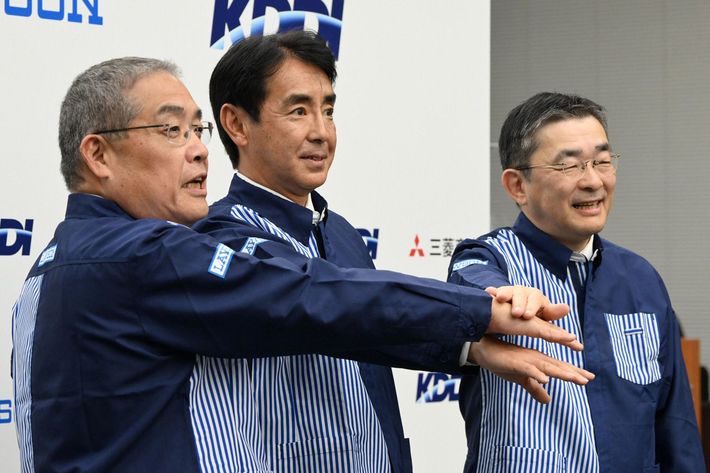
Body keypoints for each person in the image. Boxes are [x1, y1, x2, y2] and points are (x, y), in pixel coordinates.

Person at [11, 58, 591, 473]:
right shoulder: (147, 253)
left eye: (195, 130)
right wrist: (477, 310)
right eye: (170, 130)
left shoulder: (48, 270)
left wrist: (468, 343)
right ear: (98, 154)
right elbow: (306, 296)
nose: (198, 149)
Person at [193, 31, 591, 473]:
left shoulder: (341, 232)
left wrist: (473, 349)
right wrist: (480, 311)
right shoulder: (217, 237)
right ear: (236, 124)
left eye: (328, 110)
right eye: (298, 111)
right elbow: (333, 298)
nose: (321, 132)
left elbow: (377, 326)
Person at [448, 92, 704, 472]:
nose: (593, 181)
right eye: (569, 166)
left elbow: (675, 425)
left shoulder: (640, 279)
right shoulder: (489, 258)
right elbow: (469, 286)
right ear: (517, 186)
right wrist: (501, 297)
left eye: (602, 161)